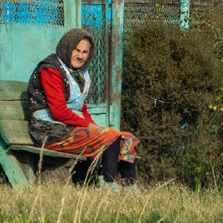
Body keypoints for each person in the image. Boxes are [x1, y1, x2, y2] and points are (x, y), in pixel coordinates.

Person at [26, 28, 139, 189]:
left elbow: (82, 108)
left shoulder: (79, 74)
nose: (80, 56)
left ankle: (131, 190)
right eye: (76, 50)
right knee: (111, 137)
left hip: (70, 128)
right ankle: (109, 188)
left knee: (125, 138)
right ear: (67, 48)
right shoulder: (50, 70)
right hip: (50, 131)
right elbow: (58, 111)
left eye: (85, 52)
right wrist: (88, 126)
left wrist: (94, 127)